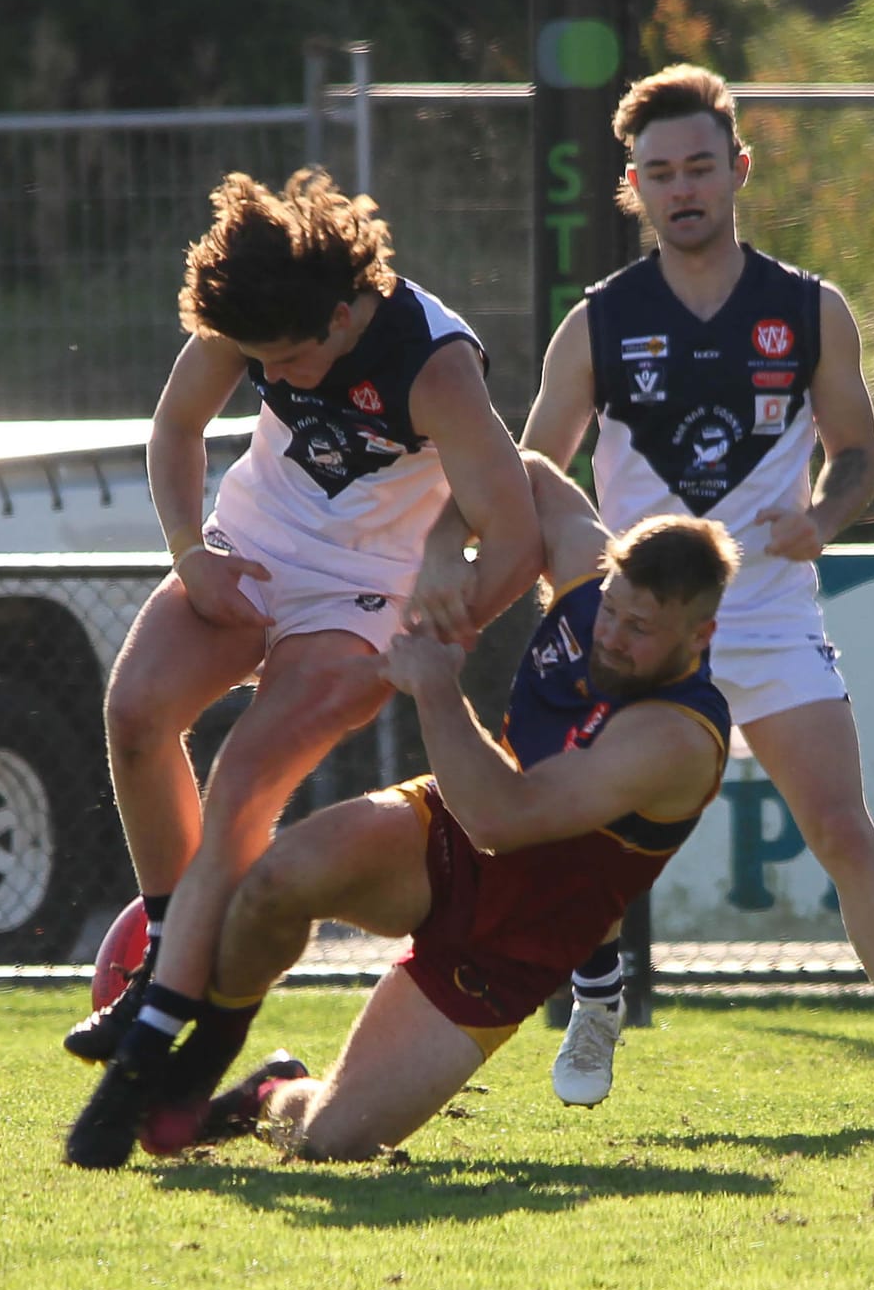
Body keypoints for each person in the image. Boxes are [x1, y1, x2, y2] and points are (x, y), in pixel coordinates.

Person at [509, 63, 874, 1124]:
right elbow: (533, 469)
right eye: (658, 172)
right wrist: (567, 583)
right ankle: (594, 993)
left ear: (738, 171)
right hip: (632, 624)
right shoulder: (596, 322)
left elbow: (857, 455)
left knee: (840, 828)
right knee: (570, 824)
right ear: (632, 186)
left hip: (764, 612)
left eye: (699, 167)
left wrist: (824, 514)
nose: (682, 189)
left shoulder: (809, 310)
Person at [63, 167, 538, 1169]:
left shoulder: (432, 364)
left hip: (364, 591)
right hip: (255, 544)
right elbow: (175, 426)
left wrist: (433, 643)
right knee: (136, 715)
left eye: (288, 358)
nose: (280, 373)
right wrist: (190, 551)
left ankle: (155, 1039)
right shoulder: (260, 307)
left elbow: (517, 538)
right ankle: (165, 943)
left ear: (340, 313)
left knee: (244, 779)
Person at [130, 452, 737, 1163]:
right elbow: (521, 469)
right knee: (274, 883)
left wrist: (436, 687)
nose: (611, 634)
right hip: (446, 833)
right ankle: (198, 1064)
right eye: (611, 608)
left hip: (516, 936)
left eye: (640, 629)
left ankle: (272, 1095)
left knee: (330, 1141)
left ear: (700, 637)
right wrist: (445, 549)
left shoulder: (675, 735)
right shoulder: (586, 565)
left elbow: (503, 820)